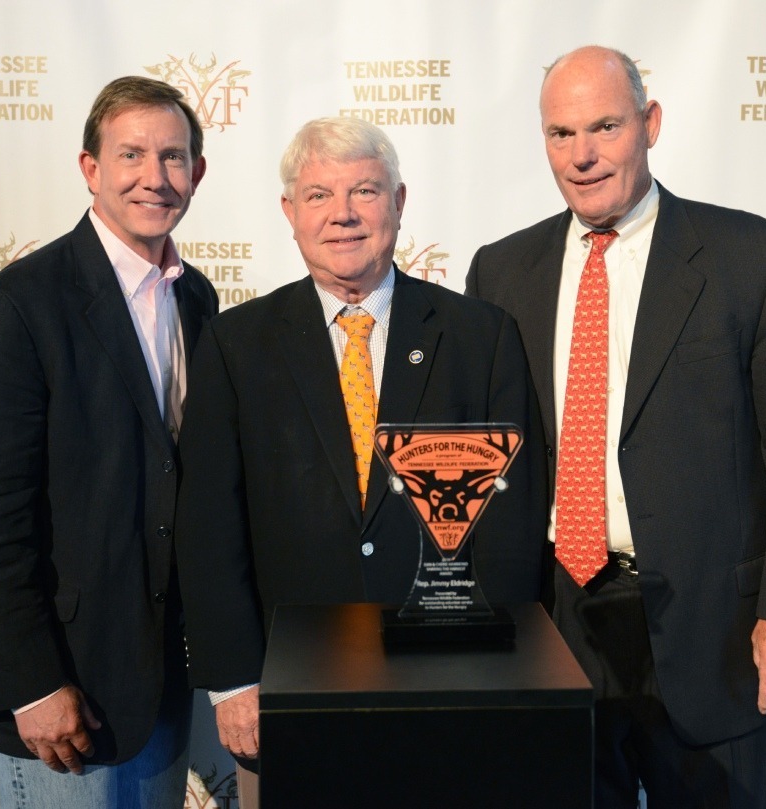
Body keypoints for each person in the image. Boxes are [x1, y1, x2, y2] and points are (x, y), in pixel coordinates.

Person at [465, 46, 766, 808]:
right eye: (561, 134)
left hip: (714, 627)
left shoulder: (754, 256)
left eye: (604, 127)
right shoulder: (502, 270)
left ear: (651, 124)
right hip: (555, 620)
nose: (583, 156)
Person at [174, 116, 547, 807]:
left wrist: (501, 666)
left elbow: (514, 519)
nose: (342, 214)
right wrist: (232, 682)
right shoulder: (236, 344)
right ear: (290, 214)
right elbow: (209, 528)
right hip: (291, 688)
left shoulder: (480, 335)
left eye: (365, 191)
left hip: (451, 681)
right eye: (318, 195)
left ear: (399, 203)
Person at [0, 76, 219, 807]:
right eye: (131, 155)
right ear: (90, 169)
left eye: (174, 157)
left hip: (161, 680)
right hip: (67, 698)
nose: (154, 178)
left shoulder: (197, 298)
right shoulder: (21, 306)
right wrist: (30, 683)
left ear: (198, 173)